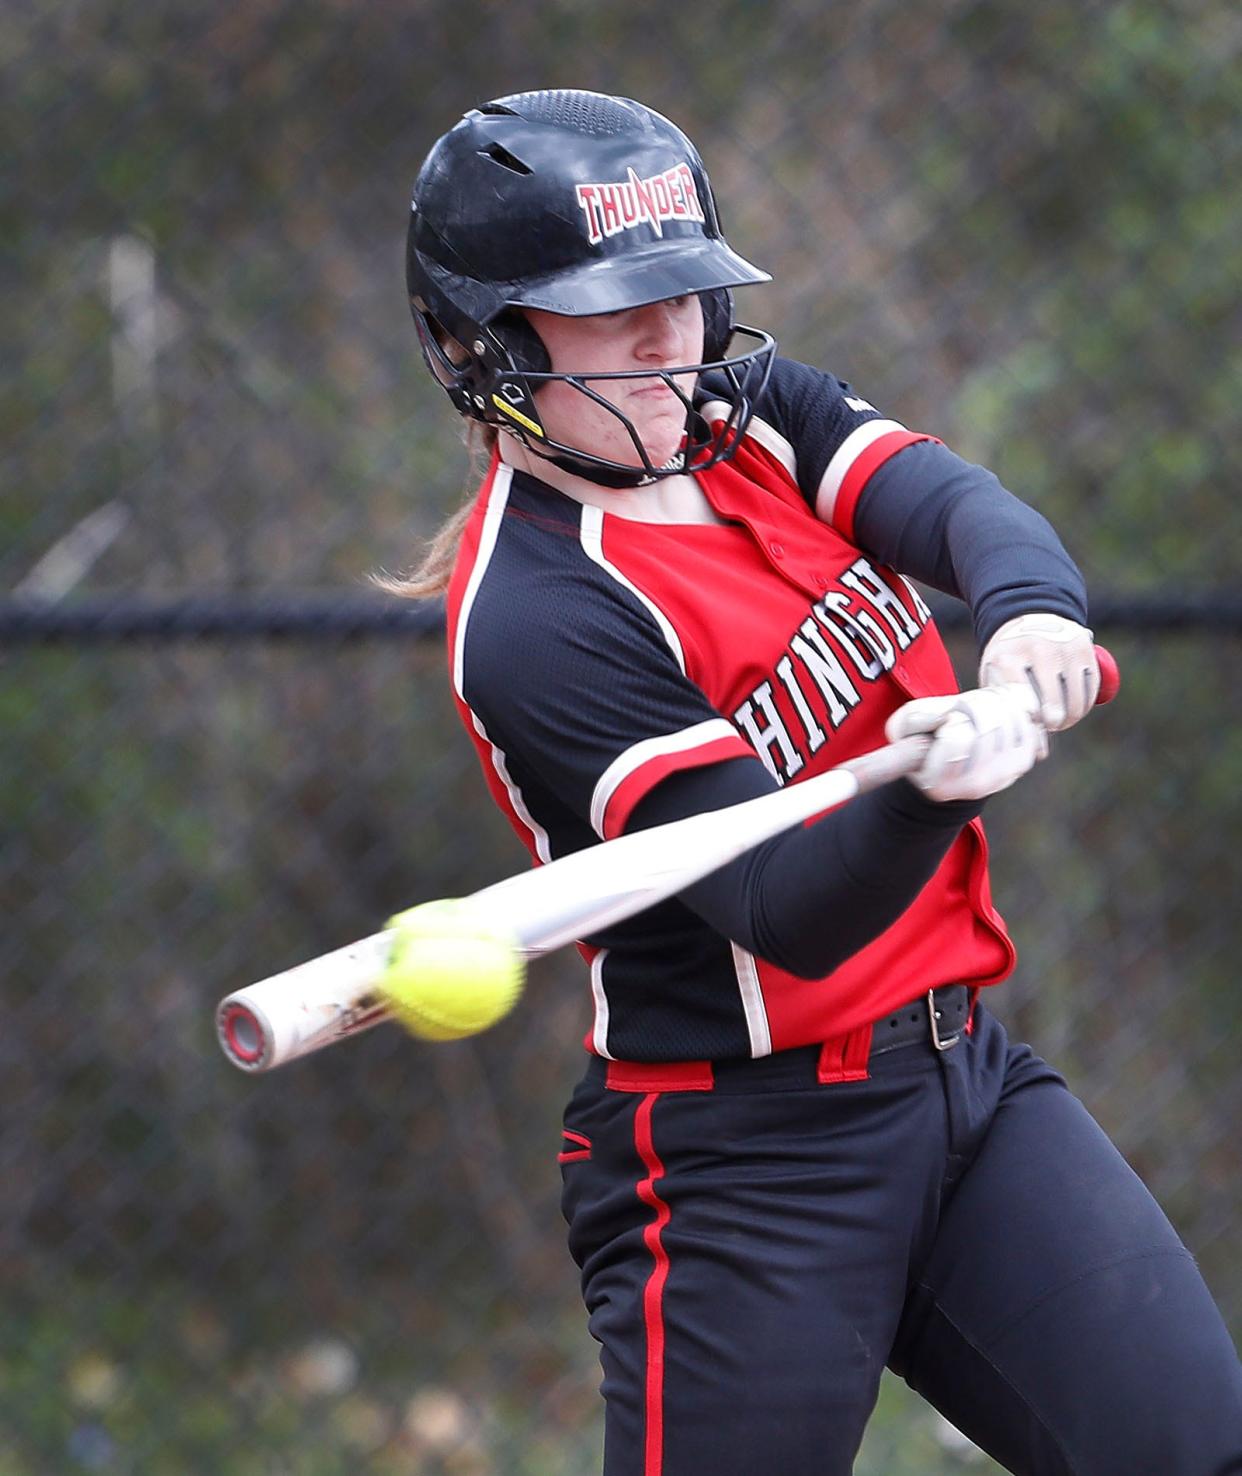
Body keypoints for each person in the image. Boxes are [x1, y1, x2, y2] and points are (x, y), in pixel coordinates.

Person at [395, 88, 1242, 1476]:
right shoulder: (537, 612)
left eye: (679, 290)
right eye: (610, 310)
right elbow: (786, 906)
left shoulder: (743, 419)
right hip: (742, 1167)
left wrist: (1026, 608)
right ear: (479, 345)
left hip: (964, 1086)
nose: (667, 335)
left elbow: (957, 506)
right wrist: (930, 791)